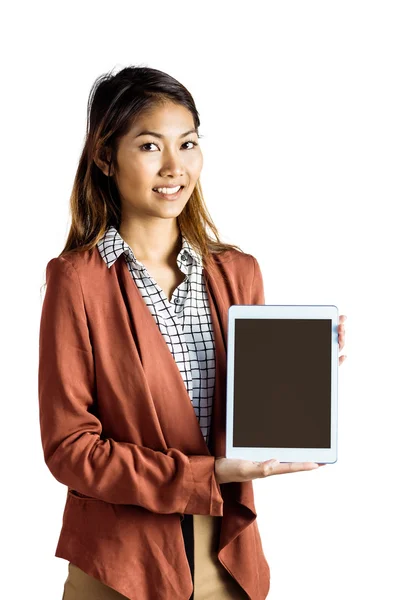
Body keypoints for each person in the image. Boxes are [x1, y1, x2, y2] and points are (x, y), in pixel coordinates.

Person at [38, 65, 347, 600]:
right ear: (105, 157)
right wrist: (204, 475)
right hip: (120, 566)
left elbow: (250, 414)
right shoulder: (76, 280)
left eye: (188, 144)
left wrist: (298, 373)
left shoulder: (238, 271)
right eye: (150, 146)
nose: (174, 167)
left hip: (225, 556)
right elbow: (69, 449)